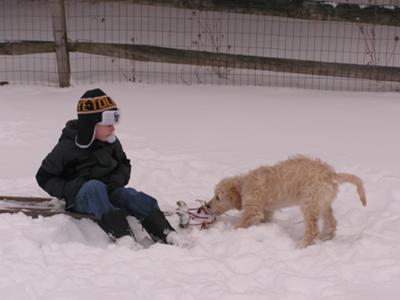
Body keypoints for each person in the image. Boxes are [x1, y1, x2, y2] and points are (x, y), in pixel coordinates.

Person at [36, 88, 181, 246]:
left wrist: (115, 181)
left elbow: (124, 164)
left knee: (130, 196)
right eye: (107, 124)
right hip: (82, 197)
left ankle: (166, 233)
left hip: (109, 191)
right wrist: (71, 189)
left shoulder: (111, 142)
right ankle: (122, 236)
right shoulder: (68, 147)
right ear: (91, 125)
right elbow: (44, 176)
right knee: (94, 187)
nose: (113, 128)